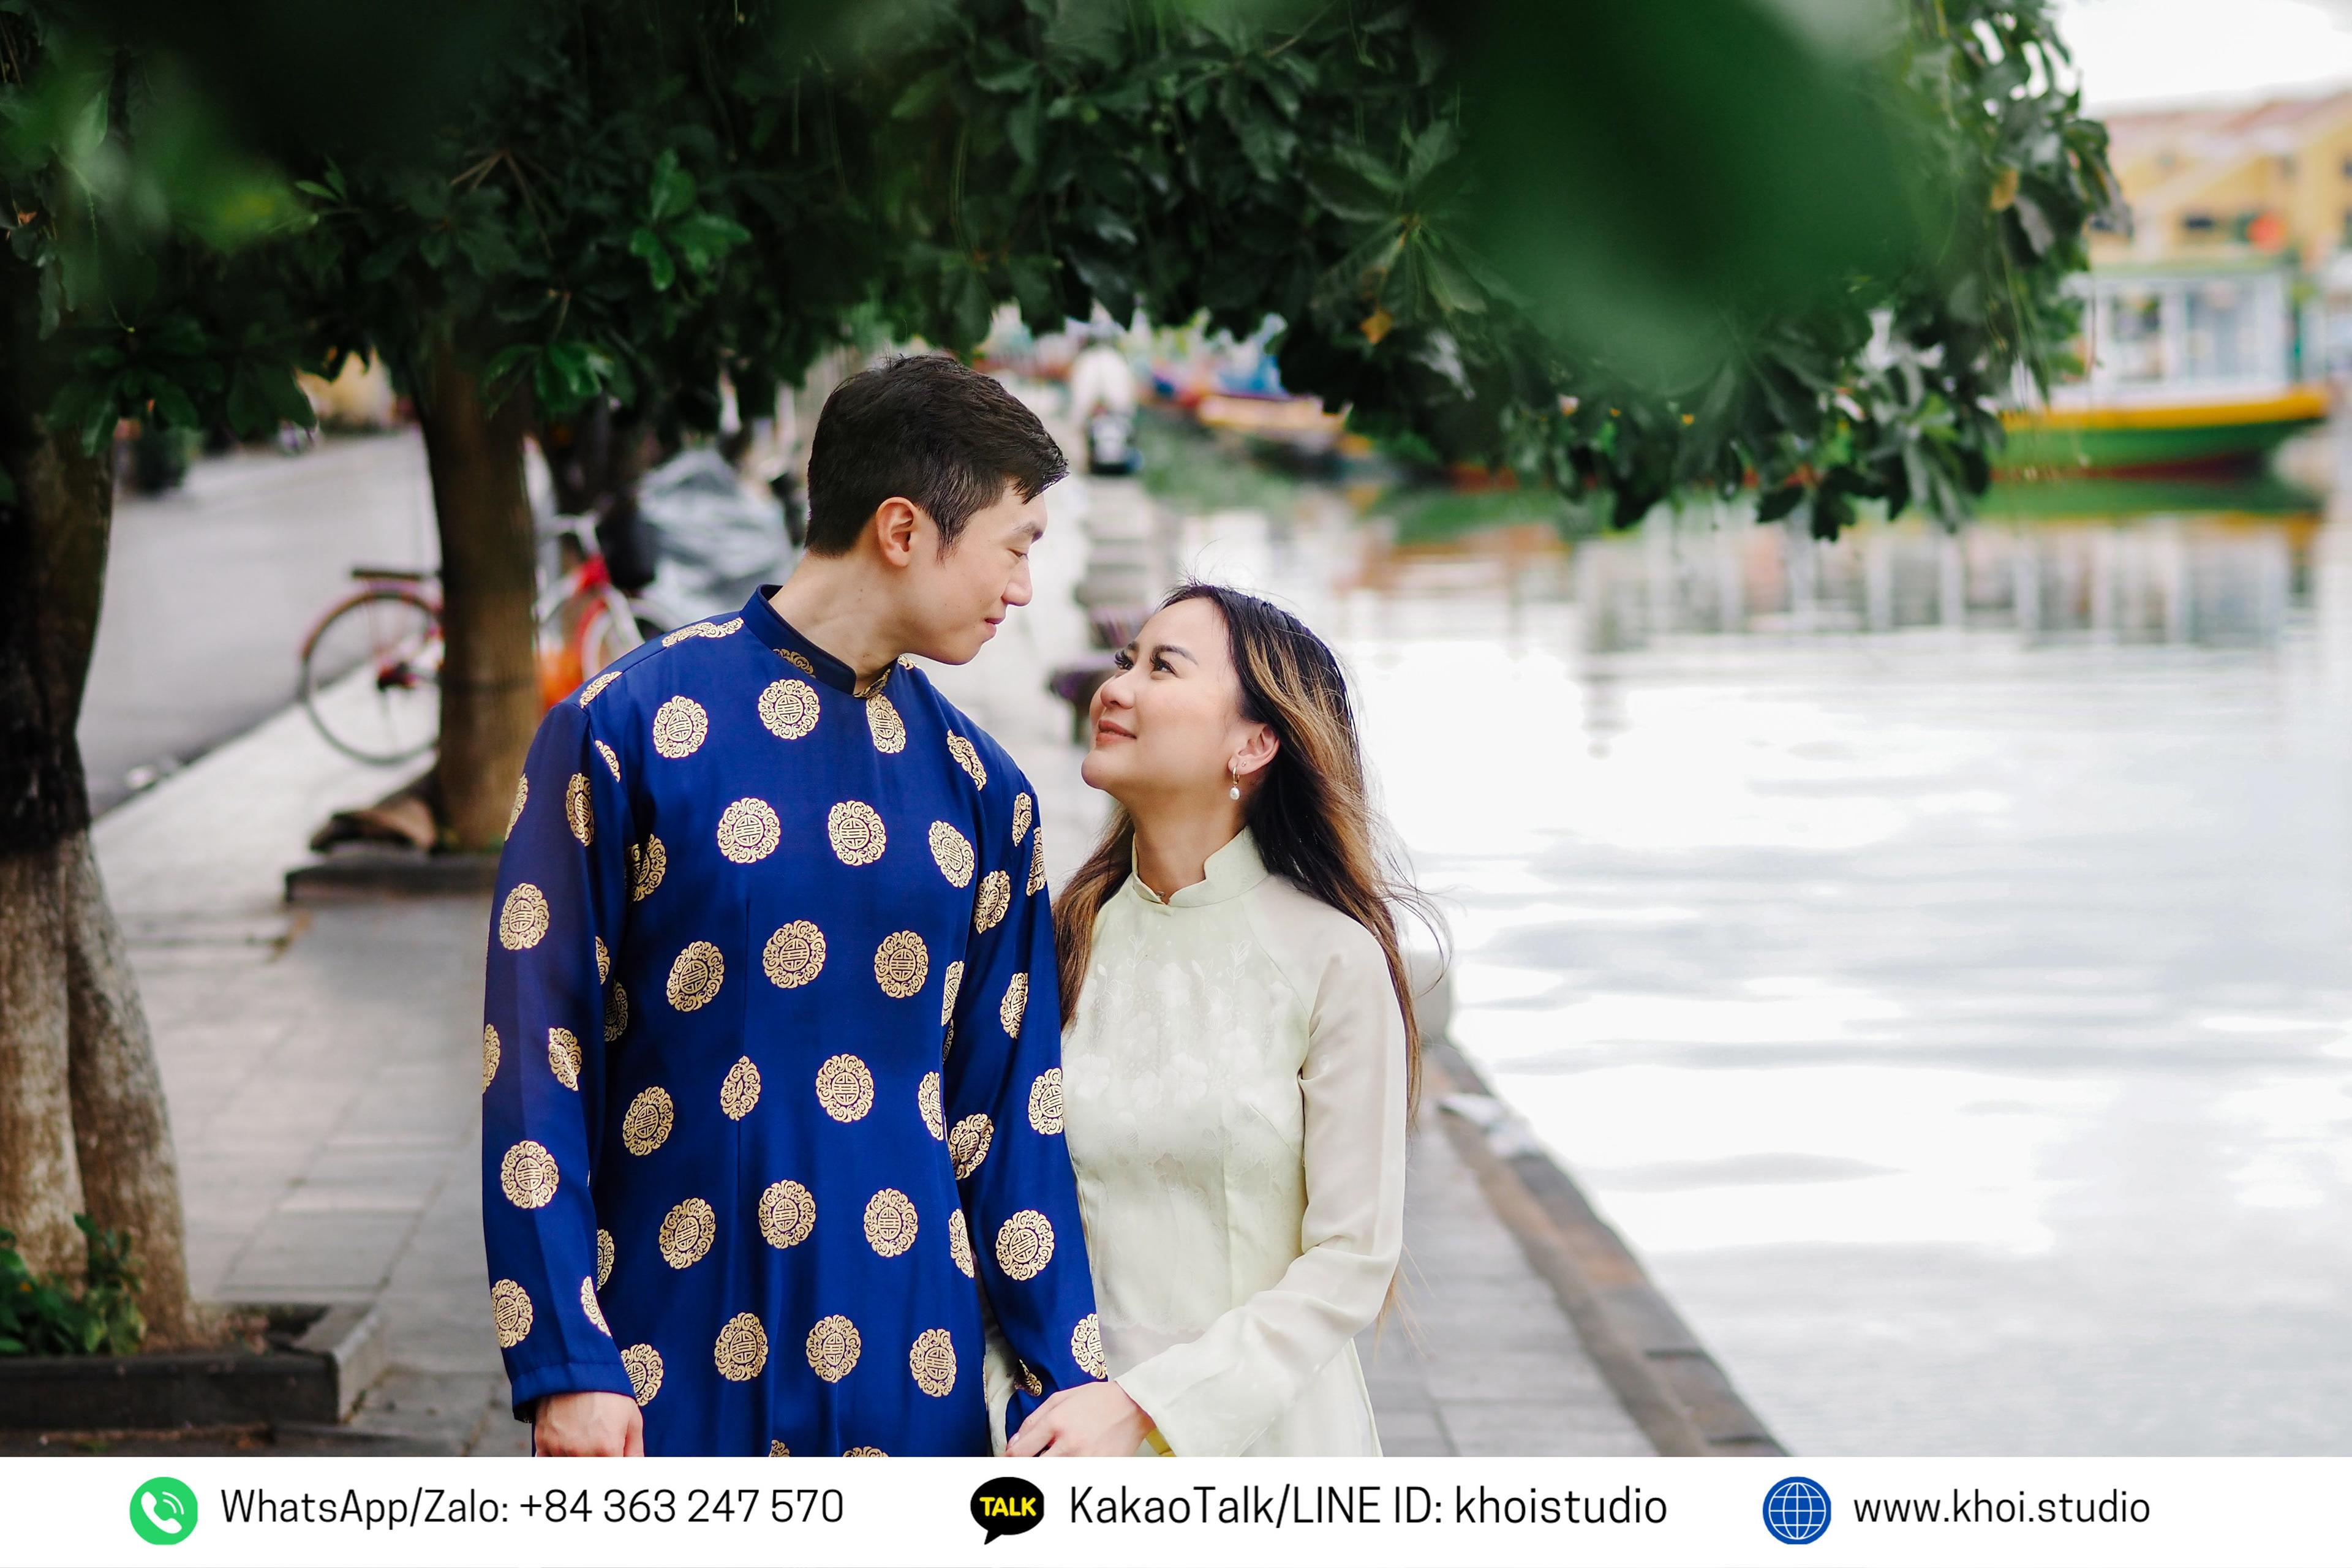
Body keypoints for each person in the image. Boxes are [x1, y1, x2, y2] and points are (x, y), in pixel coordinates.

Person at [481, 354, 1106, 1458]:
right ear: (903, 530)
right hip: (659, 1364)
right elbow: (537, 1059)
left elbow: (1012, 1117)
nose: (1022, 590)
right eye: (1016, 548)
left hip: (914, 1375)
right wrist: (566, 1362)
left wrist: (1068, 1380)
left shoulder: (986, 793)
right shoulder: (623, 728)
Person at [1006, 584, 1424, 1457]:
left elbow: (1353, 1259)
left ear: (1255, 740)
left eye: (1164, 667)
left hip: (1268, 1446)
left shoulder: (1331, 960)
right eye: (1126, 662)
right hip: (1062, 1439)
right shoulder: (1052, 945)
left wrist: (1147, 1406)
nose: (1116, 688)